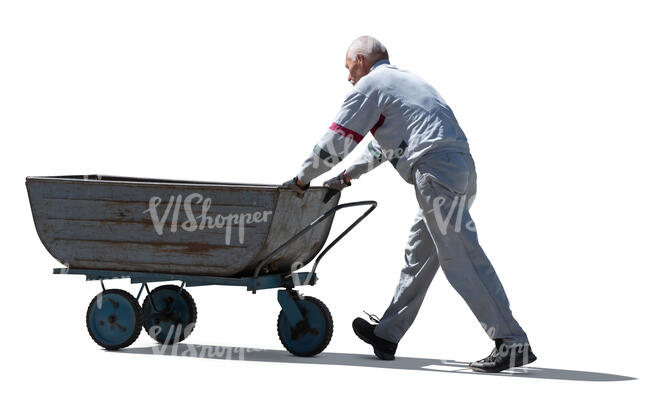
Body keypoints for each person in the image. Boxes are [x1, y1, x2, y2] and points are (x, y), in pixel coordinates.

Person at [282, 36, 536, 373]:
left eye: (348, 68)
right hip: (456, 170)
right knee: (419, 255)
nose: (348, 77)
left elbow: (339, 139)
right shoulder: (407, 82)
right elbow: (389, 146)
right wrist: (346, 177)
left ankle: (511, 341)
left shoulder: (371, 85)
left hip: (435, 175)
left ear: (360, 59)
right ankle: (387, 335)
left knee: (461, 258)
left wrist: (302, 179)